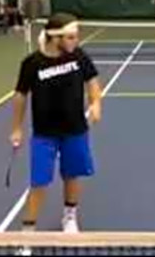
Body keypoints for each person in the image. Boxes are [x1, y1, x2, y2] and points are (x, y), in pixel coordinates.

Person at [10, 12, 102, 234]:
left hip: (75, 131)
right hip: (44, 134)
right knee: (39, 182)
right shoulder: (32, 64)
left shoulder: (79, 56)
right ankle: (28, 230)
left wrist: (96, 103)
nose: (75, 41)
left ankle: (69, 216)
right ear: (55, 38)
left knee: (72, 175)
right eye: (70, 37)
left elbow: (92, 81)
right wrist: (16, 127)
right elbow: (20, 95)